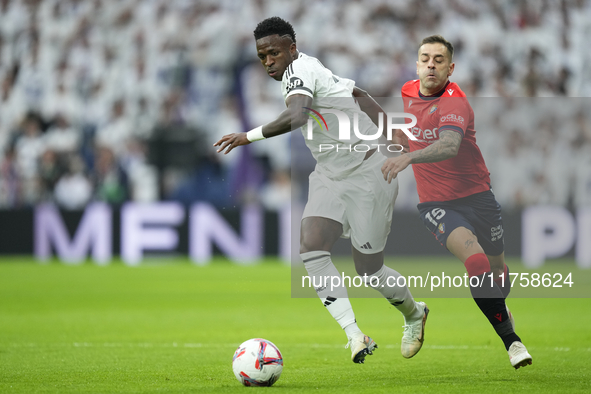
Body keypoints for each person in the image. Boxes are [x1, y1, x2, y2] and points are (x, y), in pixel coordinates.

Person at [215, 17, 428, 363]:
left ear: (292, 49)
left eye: (273, 53)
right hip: (330, 173)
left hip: (368, 172)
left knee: (370, 269)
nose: (268, 61)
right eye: (262, 56)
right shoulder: (312, 69)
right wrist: (390, 129)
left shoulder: (300, 72)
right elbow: (357, 94)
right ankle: (354, 336)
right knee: (311, 247)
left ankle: (415, 314)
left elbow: (298, 116)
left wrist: (248, 136)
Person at [381, 35, 533, 369]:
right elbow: (408, 128)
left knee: (497, 275)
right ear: (417, 63)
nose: (430, 64)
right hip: (437, 204)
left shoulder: (455, 102)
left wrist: (409, 158)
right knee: (476, 264)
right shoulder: (407, 90)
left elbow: (449, 146)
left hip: (478, 198)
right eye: (424, 58)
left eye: (438, 59)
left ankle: (498, 302)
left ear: (451, 68)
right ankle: (513, 343)